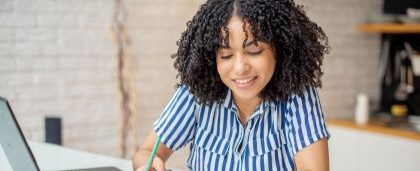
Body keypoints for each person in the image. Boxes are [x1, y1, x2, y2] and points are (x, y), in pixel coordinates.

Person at [133, 0, 330, 170]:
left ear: (280, 49)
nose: (240, 68)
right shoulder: (196, 93)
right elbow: (147, 152)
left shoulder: (297, 95)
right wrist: (151, 165)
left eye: (254, 51)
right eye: (226, 55)